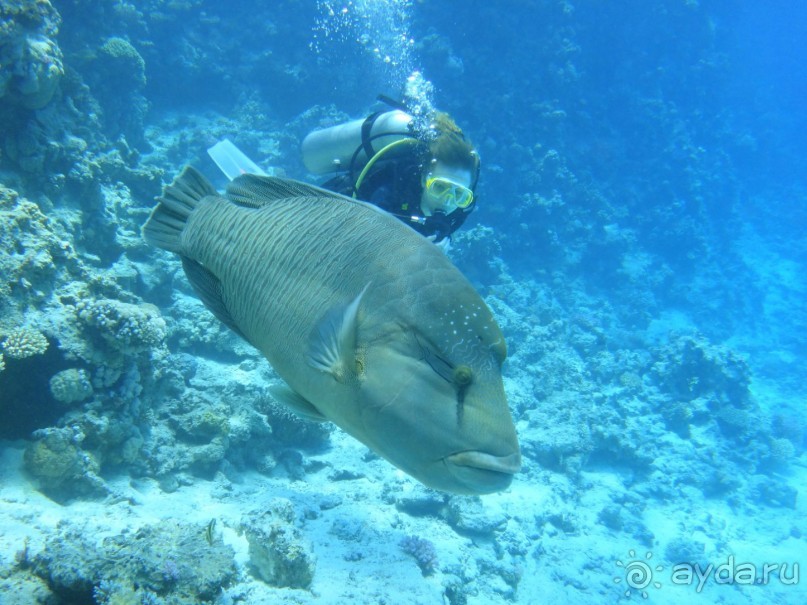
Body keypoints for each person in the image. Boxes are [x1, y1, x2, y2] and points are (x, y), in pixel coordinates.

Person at [301, 100, 480, 245]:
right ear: (424, 178)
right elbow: (367, 238)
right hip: (325, 212)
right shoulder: (393, 189)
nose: (448, 201)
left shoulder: (458, 211)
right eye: (439, 187)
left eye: (460, 195)